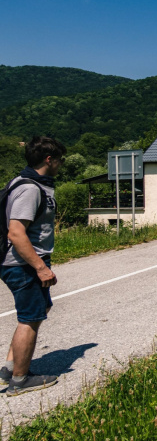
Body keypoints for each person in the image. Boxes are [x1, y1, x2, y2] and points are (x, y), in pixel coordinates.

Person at [1, 136, 65, 396]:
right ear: (49, 159)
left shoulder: (32, 183)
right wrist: (40, 267)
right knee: (31, 317)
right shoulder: (29, 189)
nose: (61, 165)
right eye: (60, 160)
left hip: (27, 261)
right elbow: (16, 233)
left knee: (41, 308)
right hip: (23, 262)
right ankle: (19, 379)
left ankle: (8, 368)